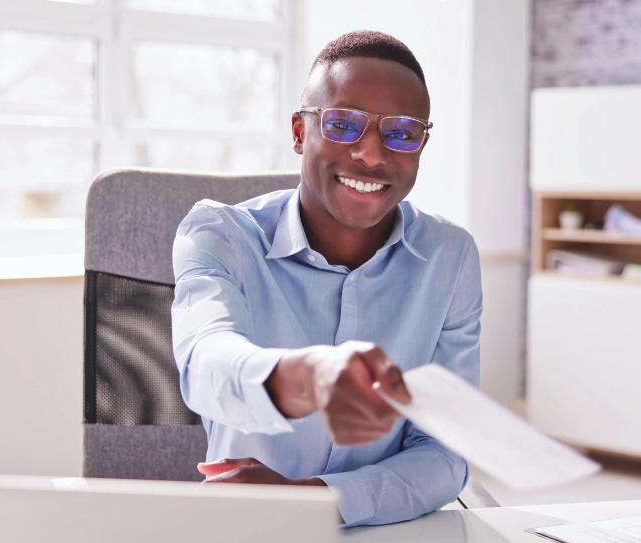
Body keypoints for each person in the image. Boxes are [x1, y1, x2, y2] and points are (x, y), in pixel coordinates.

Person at [170, 30, 482, 527]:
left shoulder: (451, 256)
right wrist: (308, 376)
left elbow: (445, 453)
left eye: (401, 133)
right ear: (299, 132)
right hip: (251, 531)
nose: (373, 155)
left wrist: (315, 499)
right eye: (343, 124)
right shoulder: (220, 235)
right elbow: (205, 363)